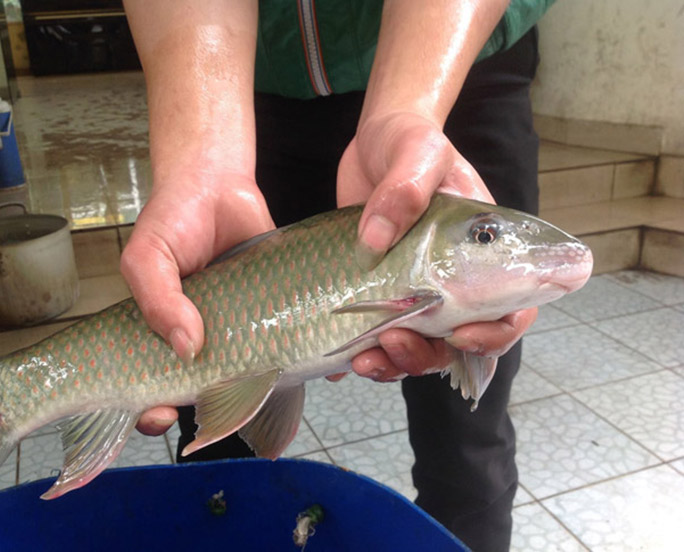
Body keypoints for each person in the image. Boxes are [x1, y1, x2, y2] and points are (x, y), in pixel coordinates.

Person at [121, 1, 551, 550]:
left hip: (456, 63)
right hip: (246, 92)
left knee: (467, 436)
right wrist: (204, 160)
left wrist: (408, 107)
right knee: (214, 405)